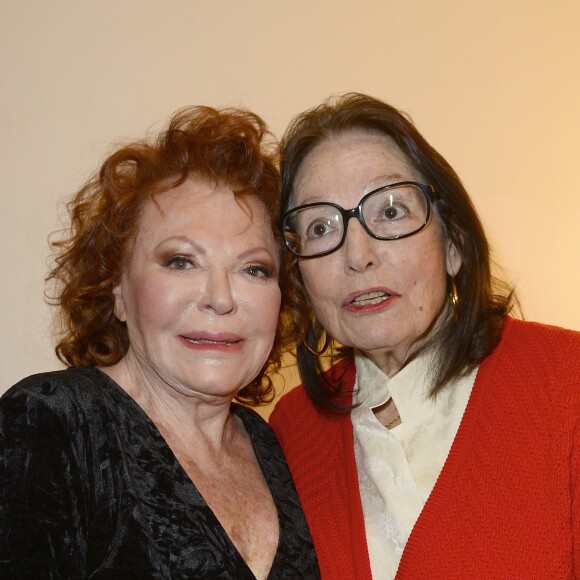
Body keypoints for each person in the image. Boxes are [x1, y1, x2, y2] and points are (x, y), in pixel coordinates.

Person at [269, 93, 580, 579]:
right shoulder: (291, 433)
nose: (358, 254)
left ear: (454, 243)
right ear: (301, 280)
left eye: (390, 211)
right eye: (320, 227)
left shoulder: (567, 383)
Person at [0, 106, 320, 579]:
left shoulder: (273, 447)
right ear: (118, 292)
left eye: (254, 268)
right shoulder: (50, 424)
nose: (221, 298)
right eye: (181, 261)